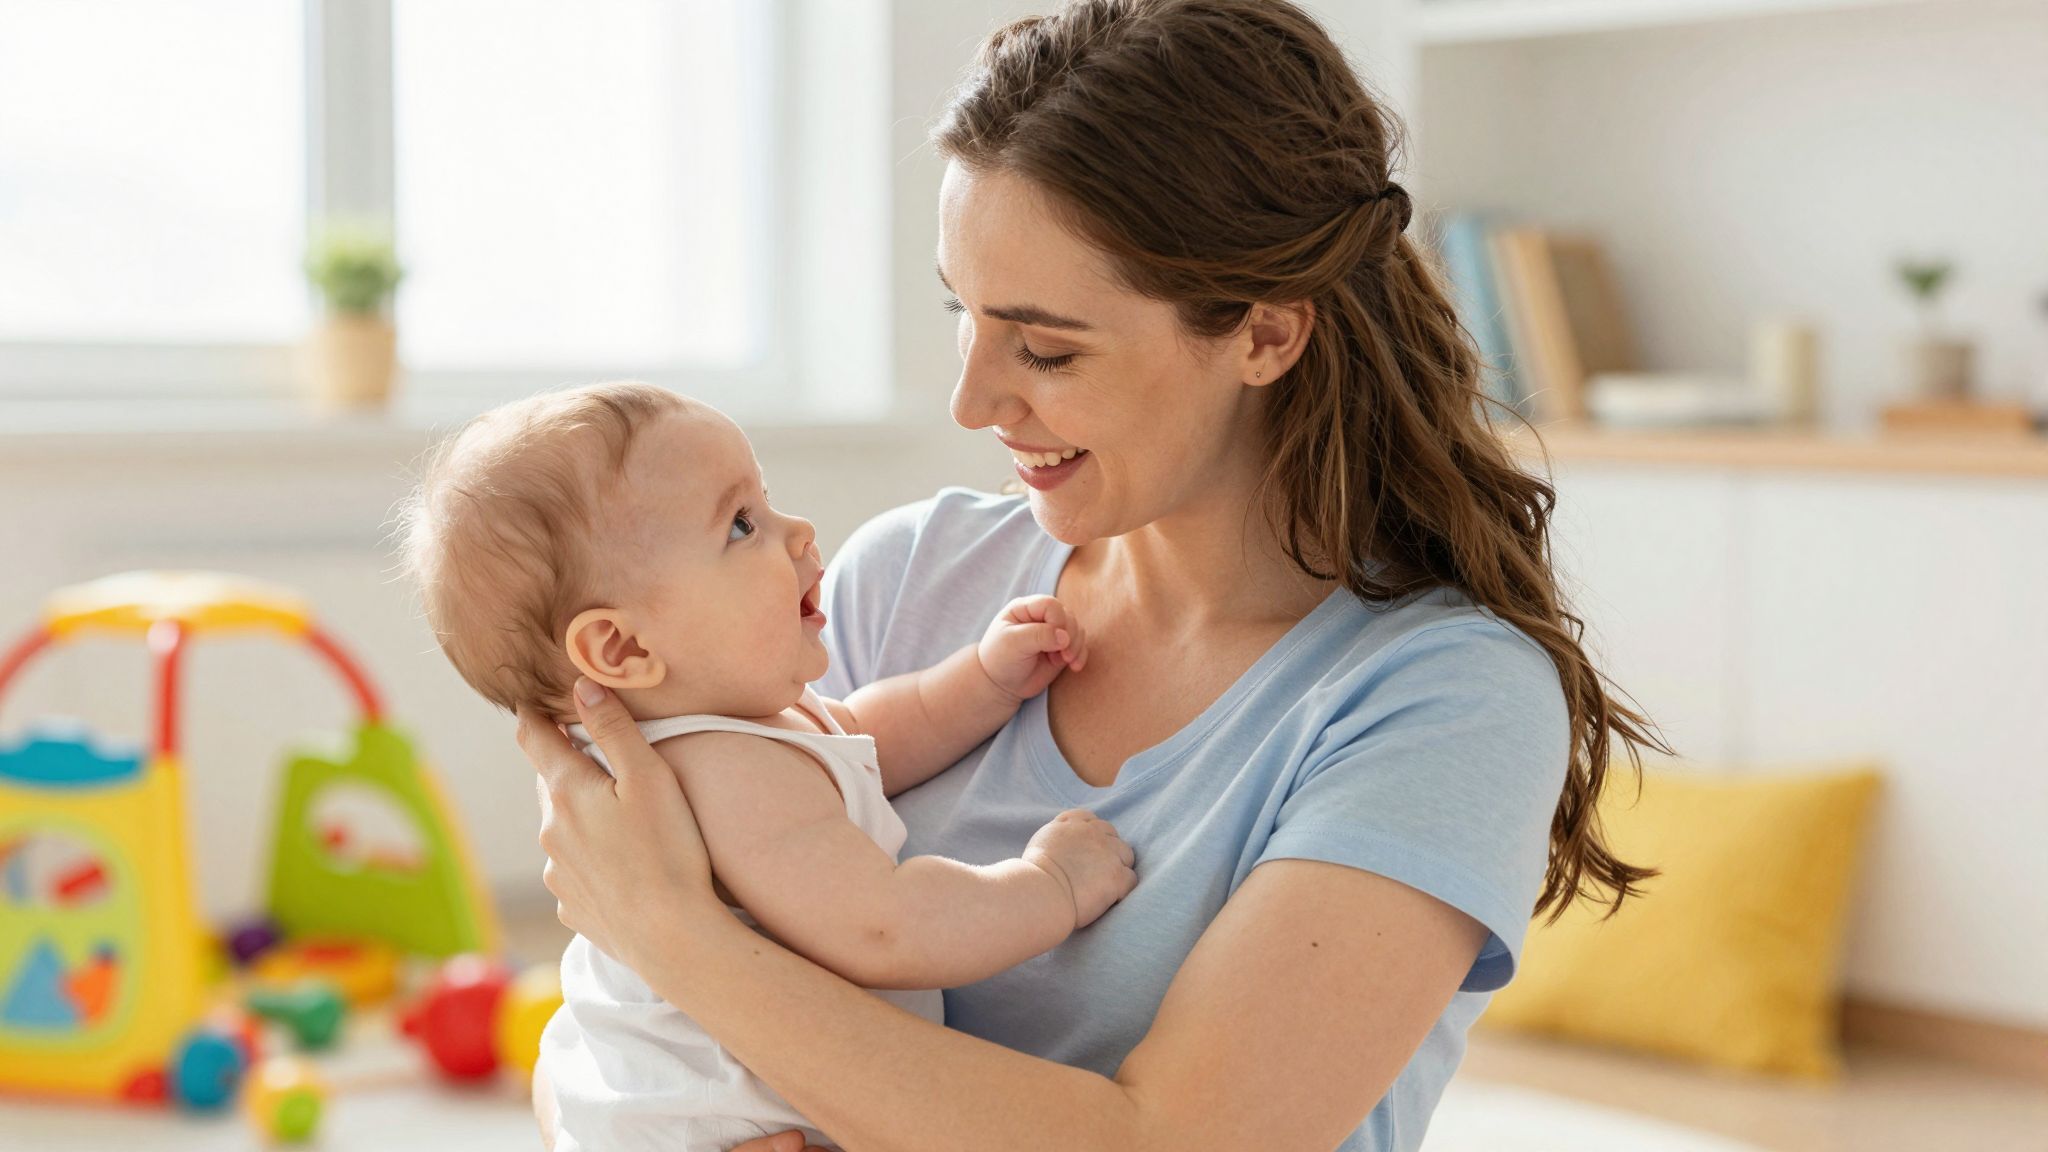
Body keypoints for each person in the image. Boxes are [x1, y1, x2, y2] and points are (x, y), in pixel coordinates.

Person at [519, 2, 1663, 1149]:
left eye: (1046, 348)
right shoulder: (904, 579)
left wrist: (677, 938)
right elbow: (625, 1039)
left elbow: (1170, 1140)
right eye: (959, 315)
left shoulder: (1441, 697)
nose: (972, 402)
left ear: (1264, 335)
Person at [396, 383, 1136, 1150]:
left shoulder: (744, 729)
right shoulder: (722, 774)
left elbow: (869, 734)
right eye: (741, 525)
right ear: (623, 649)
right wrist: (1050, 886)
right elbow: (887, 925)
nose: (796, 531)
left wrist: (981, 678)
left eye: (766, 500)